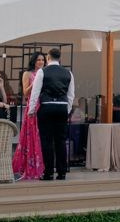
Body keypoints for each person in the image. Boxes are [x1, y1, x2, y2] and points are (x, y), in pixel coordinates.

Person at [27, 47, 75, 181]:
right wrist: (67, 109)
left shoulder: (42, 72)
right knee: (60, 140)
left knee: (46, 141)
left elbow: (35, 92)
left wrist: (31, 110)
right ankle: (62, 172)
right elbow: (71, 95)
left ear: (48, 58)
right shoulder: (68, 73)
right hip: (62, 108)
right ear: (59, 58)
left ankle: (48, 173)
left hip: (46, 108)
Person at [12, 51, 45, 180]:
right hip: (32, 107)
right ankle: (28, 167)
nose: (41, 62)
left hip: (44, 107)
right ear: (33, 61)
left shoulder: (45, 73)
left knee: (42, 137)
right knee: (31, 136)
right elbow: (25, 92)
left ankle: (42, 167)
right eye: (38, 60)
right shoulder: (28, 74)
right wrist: (35, 82)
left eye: (43, 60)